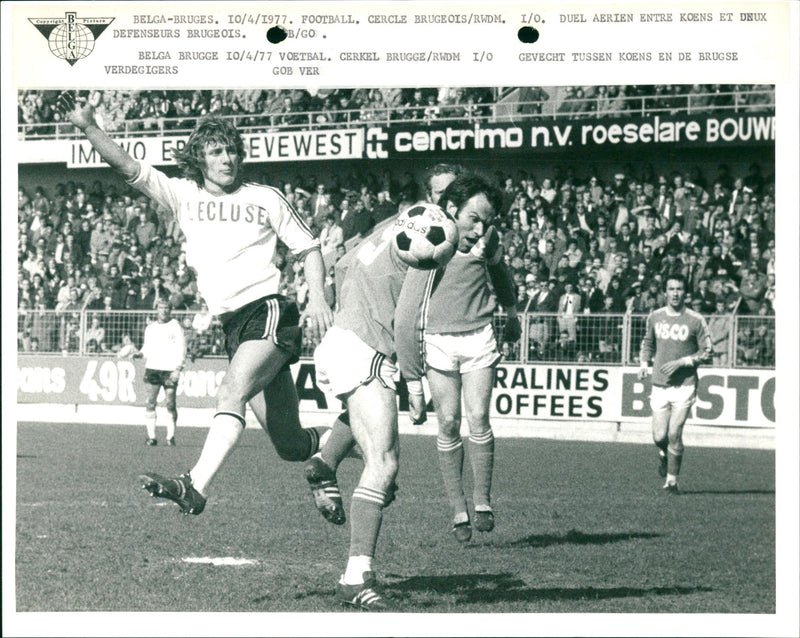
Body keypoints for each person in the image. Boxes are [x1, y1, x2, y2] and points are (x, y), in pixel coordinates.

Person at [58, 90, 334, 515]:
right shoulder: (183, 195)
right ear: (199, 159)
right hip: (232, 326)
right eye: (217, 152)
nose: (227, 159)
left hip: (269, 311)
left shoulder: (265, 197)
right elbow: (128, 165)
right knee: (290, 444)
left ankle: (195, 486)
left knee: (230, 391)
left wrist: (317, 299)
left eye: (232, 151)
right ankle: (358, 436)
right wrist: (91, 127)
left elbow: (309, 248)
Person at [310, 195, 436, 610]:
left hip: (343, 338)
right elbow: (406, 322)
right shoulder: (423, 243)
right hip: (366, 348)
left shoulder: (387, 229)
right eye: (472, 217)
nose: (475, 228)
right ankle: (355, 576)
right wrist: (415, 383)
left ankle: (324, 464)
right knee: (383, 465)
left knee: (378, 455)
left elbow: (343, 266)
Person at [403, 171, 516, 543]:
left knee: (479, 417)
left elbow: (500, 274)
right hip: (438, 338)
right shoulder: (425, 232)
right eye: (475, 219)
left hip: (478, 333)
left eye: (487, 222)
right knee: (449, 422)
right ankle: (458, 509)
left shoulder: (487, 238)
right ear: (450, 206)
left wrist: (511, 311)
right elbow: (409, 301)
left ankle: (482, 500)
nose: (481, 228)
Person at [638, 274, 712, 494]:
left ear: (685, 293)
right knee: (659, 437)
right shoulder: (655, 316)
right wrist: (643, 363)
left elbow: (707, 350)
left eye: (679, 289)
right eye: (671, 289)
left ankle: (672, 481)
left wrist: (683, 361)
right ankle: (664, 455)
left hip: (685, 384)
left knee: (674, 433)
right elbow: (648, 342)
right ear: (665, 292)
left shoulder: (695, 319)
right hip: (660, 384)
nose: (675, 293)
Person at [134, 299, 186, 446]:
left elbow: (182, 348)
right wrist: (139, 354)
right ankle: (152, 437)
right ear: (157, 309)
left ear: (170, 310)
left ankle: (170, 437)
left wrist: (178, 368)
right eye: (161, 308)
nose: (164, 310)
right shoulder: (150, 328)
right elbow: (146, 348)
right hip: (153, 368)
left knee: (170, 403)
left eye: (166, 308)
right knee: (150, 402)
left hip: (170, 370)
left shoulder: (175, 326)